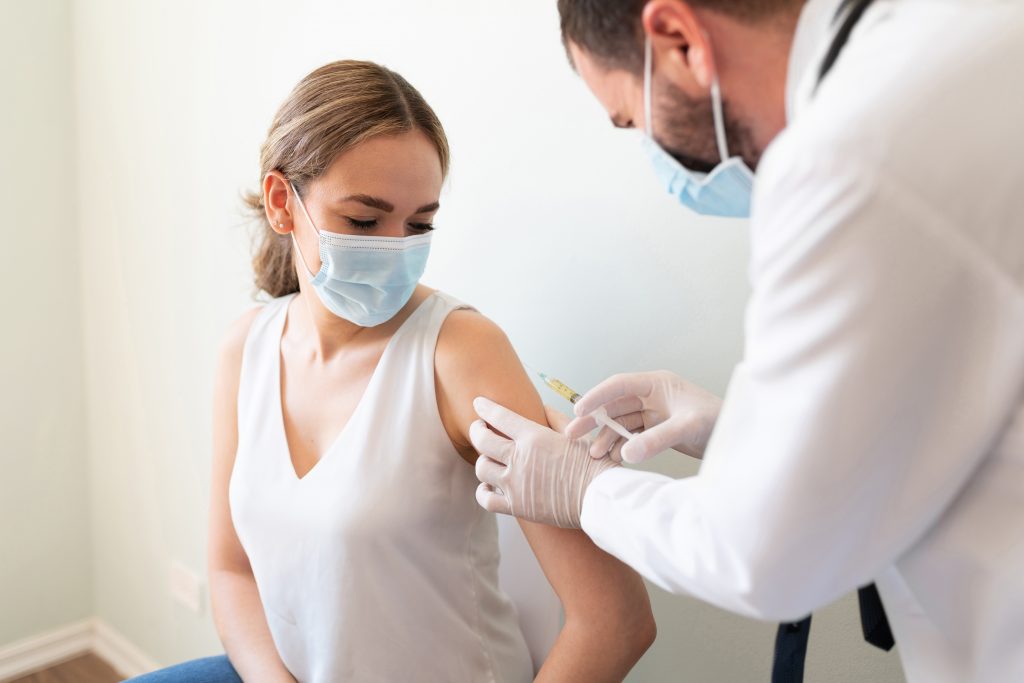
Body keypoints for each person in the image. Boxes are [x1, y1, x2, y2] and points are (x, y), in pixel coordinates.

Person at [470, 1, 1024, 682]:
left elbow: (765, 555)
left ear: (678, 40)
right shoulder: (969, 37)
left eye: (632, 120)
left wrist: (587, 490)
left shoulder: (848, 160)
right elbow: (960, 377)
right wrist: (737, 429)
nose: (652, 152)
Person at [128, 59, 654, 683]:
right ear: (281, 203)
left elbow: (616, 620)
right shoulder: (245, 349)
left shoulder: (460, 354)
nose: (395, 246)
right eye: (363, 221)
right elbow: (231, 571)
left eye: (420, 224)